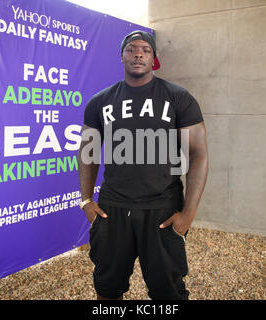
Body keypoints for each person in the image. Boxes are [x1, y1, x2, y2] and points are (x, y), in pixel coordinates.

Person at [77, 30, 208, 300]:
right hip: (112, 211)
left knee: (168, 293)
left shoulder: (178, 97)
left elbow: (198, 155)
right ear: (122, 57)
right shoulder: (99, 102)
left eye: (146, 50)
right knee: (107, 288)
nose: (138, 53)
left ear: (154, 59)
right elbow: (87, 153)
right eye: (132, 49)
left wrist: (188, 214)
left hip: (162, 209)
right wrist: (86, 200)